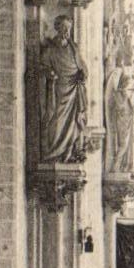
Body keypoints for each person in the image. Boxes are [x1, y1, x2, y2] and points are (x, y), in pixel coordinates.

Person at [39, 14, 88, 166]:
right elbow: (42, 67)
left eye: (69, 28)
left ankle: (68, 153)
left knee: (73, 123)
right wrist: (49, 73)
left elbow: (83, 68)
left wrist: (83, 75)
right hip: (58, 91)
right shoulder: (50, 50)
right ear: (57, 28)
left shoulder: (74, 49)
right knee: (56, 121)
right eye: (63, 27)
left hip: (73, 91)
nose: (66, 31)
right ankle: (53, 153)